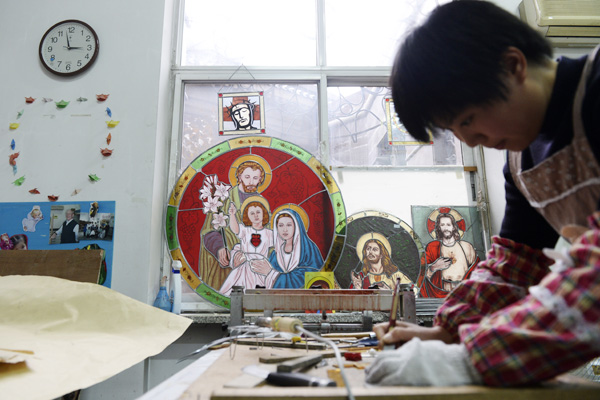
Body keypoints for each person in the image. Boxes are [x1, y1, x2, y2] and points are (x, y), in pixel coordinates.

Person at [367, 0, 600, 388]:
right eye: (454, 129)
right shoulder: (521, 162)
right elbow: (515, 265)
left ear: (513, 66)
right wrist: (449, 331)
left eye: (468, 119)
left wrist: (472, 358)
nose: (469, 139)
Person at [200, 159, 269, 289]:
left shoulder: (262, 204)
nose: (251, 181)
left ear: (260, 180)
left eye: (255, 178)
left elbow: (268, 235)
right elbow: (209, 230)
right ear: (239, 176)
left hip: (254, 266)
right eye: (247, 177)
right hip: (225, 263)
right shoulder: (223, 199)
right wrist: (219, 248)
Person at [218, 197, 277, 296]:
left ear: (264, 214)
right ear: (247, 216)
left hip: (260, 266)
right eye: (252, 213)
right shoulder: (246, 231)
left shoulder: (269, 233)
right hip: (245, 266)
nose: (256, 216)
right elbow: (235, 229)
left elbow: (280, 243)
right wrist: (232, 214)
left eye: (258, 212)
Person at [419, 212, 479, 297]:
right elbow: (420, 273)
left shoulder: (466, 247)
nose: (446, 228)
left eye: (448, 224)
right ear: (438, 227)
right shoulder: (433, 247)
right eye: (442, 225)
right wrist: (434, 267)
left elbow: (477, 269)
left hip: (463, 291)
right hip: (442, 291)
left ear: (454, 227)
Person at [267, 208, 324, 289]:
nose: (285, 229)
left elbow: (315, 275)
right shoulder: (275, 254)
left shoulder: (309, 249)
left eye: (289, 225)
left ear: (296, 226)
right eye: (280, 225)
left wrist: (274, 275)